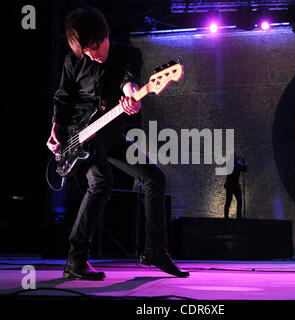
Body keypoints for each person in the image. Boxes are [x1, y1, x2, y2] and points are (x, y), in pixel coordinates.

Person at [46, 7, 188, 280]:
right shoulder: (72, 60)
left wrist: (132, 94)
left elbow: (129, 80)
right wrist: (56, 130)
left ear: (106, 34)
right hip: (80, 137)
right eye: (85, 51)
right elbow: (63, 98)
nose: (91, 55)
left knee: (154, 177)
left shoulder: (128, 54)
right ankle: (75, 261)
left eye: (95, 47)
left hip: (109, 135)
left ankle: (155, 250)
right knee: (101, 181)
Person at [224, 153, 247, 219]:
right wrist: (240, 161)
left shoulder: (237, 164)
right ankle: (226, 216)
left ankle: (239, 216)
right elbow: (236, 168)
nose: (238, 157)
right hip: (230, 185)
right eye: (236, 156)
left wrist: (244, 162)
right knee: (228, 200)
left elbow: (245, 169)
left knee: (239, 200)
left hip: (236, 185)